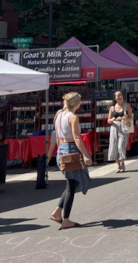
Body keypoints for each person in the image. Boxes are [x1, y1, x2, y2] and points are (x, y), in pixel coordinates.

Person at [50, 92, 92, 230]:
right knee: (71, 186)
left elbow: (56, 134)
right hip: (71, 150)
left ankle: (58, 212)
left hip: (60, 149)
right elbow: (77, 138)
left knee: (72, 184)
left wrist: (58, 151)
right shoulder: (73, 117)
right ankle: (66, 219)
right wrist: (86, 155)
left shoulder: (58, 114)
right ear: (77, 103)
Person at [108, 91, 132, 172]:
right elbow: (108, 120)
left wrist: (123, 118)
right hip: (114, 127)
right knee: (114, 146)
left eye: (120, 95)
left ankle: (122, 163)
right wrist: (111, 119)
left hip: (123, 126)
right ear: (114, 98)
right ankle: (118, 166)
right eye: (117, 96)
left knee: (120, 146)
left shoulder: (127, 106)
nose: (119, 97)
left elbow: (131, 118)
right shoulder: (112, 108)